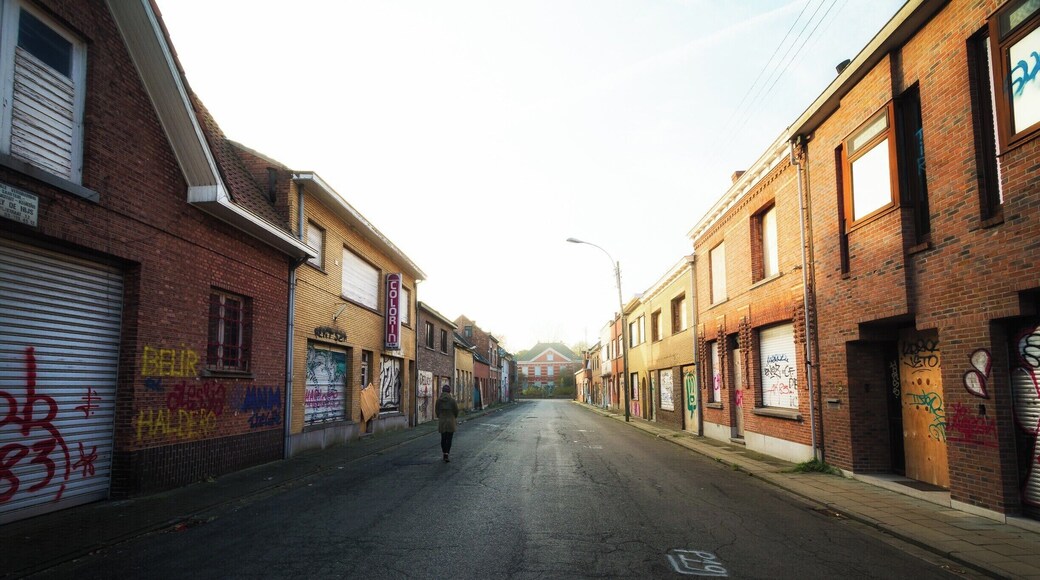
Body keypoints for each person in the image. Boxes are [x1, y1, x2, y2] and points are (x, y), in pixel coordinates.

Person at [435, 382, 459, 463]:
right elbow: (456, 411)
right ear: (449, 391)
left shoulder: (438, 400)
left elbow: (437, 411)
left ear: (442, 391)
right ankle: (446, 453)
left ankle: (444, 452)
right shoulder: (452, 401)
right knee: (449, 439)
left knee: (443, 438)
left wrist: (440, 416)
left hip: (442, 421)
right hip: (450, 422)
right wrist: (454, 417)